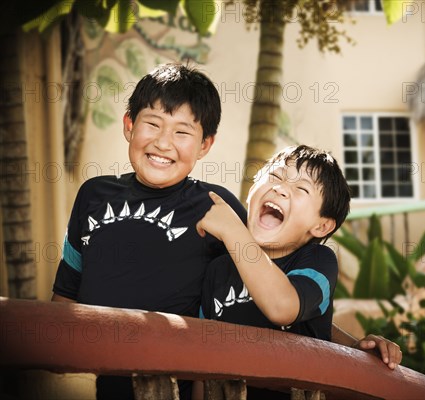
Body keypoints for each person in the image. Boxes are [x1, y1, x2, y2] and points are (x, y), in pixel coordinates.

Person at [50, 63, 400, 400]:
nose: (163, 142)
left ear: (205, 145)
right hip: (99, 381)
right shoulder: (93, 195)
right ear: (129, 125)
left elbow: (276, 291)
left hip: (174, 387)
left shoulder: (220, 211)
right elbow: (66, 293)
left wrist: (353, 346)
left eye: (182, 132)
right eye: (152, 124)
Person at [196, 145, 400, 398]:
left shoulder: (317, 261)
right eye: (275, 177)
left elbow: (283, 307)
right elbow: (202, 357)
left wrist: (233, 232)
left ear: (321, 225)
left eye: (301, 189)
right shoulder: (219, 269)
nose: (280, 188)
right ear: (251, 192)